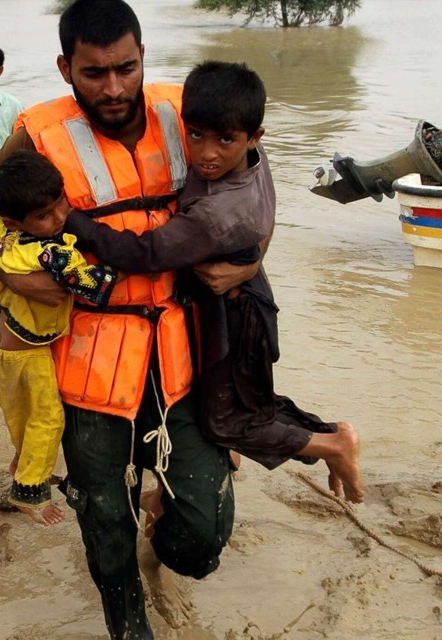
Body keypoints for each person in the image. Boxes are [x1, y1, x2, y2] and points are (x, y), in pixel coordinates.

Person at [0, 0, 245, 639]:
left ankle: (165, 522)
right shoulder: (37, 131)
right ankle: (127, 625)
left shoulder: (185, 111)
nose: (114, 87)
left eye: (126, 68)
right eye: (95, 73)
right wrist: (9, 271)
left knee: (202, 537)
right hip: (86, 358)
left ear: (143, 56)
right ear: (66, 68)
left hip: (181, 349)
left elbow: (253, 182)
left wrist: (252, 266)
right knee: (103, 523)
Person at [60, 61, 364, 503]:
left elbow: (144, 254)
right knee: (238, 402)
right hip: (237, 293)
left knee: (228, 421)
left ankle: (333, 444)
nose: (206, 154)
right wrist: (254, 255)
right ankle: (326, 437)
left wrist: (68, 217)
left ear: (253, 136)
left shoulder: (218, 211)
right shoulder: (251, 157)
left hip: (239, 314)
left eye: (225, 140)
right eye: (196, 134)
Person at [0, 152, 118, 525]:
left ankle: (20, 462)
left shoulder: (0, 228)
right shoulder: (52, 256)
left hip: (5, 350)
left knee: (21, 416)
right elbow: (96, 289)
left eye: (61, 203)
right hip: (28, 354)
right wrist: (120, 266)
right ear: (17, 220)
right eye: (45, 215)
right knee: (48, 419)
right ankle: (29, 492)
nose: (60, 217)